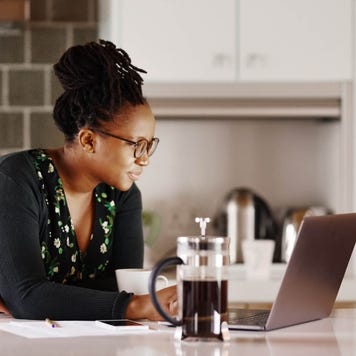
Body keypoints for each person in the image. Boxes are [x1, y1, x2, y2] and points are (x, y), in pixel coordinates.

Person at [0, 39, 177, 320]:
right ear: (88, 140)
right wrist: (135, 305)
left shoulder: (123, 196)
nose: (145, 159)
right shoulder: (17, 179)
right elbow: (27, 299)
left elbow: (119, 288)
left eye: (149, 145)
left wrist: (45, 296)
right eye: (136, 145)